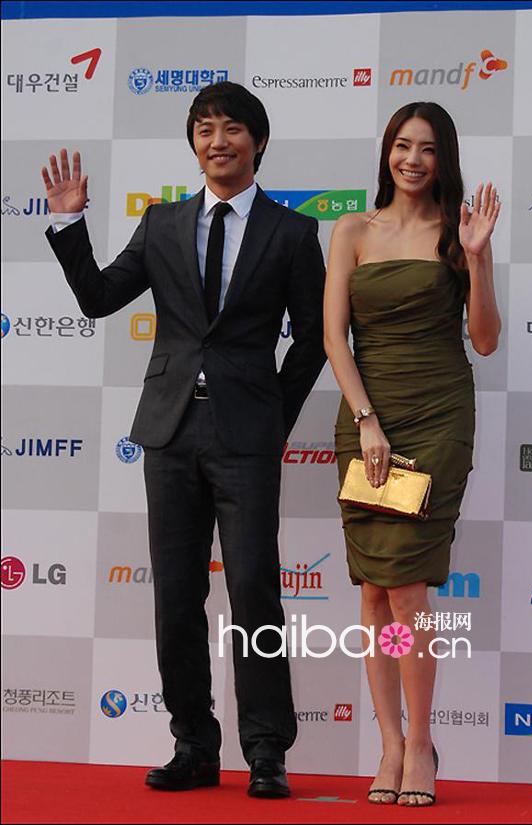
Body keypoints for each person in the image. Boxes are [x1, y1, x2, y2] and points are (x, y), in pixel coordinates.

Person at [41, 81, 326, 798]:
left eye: (231, 128)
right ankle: (194, 743)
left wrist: (272, 416)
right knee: (175, 592)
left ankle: (266, 749)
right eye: (204, 129)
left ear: (258, 141)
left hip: (246, 434)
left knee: (254, 588)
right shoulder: (163, 222)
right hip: (169, 431)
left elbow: (314, 338)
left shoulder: (292, 233)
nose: (217, 141)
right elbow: (99, 298)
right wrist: (70, 224)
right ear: (194, 144)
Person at [324, 101, 501, 807]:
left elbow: (483, 339)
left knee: (406, 588)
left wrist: (478, 259)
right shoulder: (352, 230)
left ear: (443, 157)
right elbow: (334, 337)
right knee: (373, 590)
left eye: (427, 148)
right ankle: (390, 743)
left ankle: (422, 742)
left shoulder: (458, 233)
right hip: (368, 417)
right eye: (402, 145)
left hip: (437, 418)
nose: (413, 159)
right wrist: (366, 420)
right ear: (387, 152)